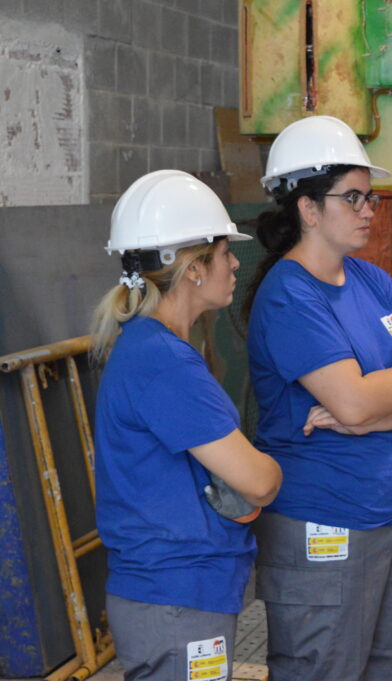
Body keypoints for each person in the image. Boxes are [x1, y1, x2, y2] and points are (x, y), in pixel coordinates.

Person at [245, 115, 392, 681]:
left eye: (371, 199)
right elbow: (358, 399)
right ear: (308, 209)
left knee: (384, 665)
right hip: (326, 517)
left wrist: (372, 418)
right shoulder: (289, 295)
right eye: (352, 197)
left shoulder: (372, 280)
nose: (367, 210)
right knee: (324, 668)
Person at [93, 169, 282, 681]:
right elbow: (259, 482)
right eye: (225, 253)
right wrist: (268, 463)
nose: (235, 263)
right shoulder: (165, 363)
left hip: (175, 597)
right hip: (175, 602)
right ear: (194, 268)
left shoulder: (154, 348)